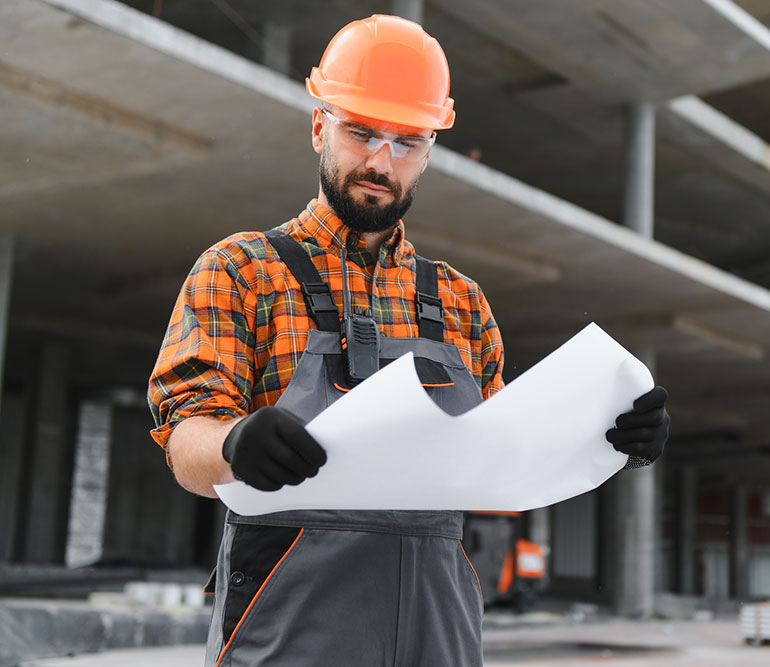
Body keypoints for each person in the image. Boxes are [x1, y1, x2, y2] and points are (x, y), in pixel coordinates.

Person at [147, 14, 670, 666]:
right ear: (319, 127)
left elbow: (506, 458)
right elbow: (184, 438)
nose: (380, 161)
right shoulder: (241, 270)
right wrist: (232, 443)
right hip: (291, 625)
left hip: (438, 623)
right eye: (361, 132)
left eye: (407, 142)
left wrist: (609, 439)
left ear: (429, 151)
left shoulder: (460, 302)